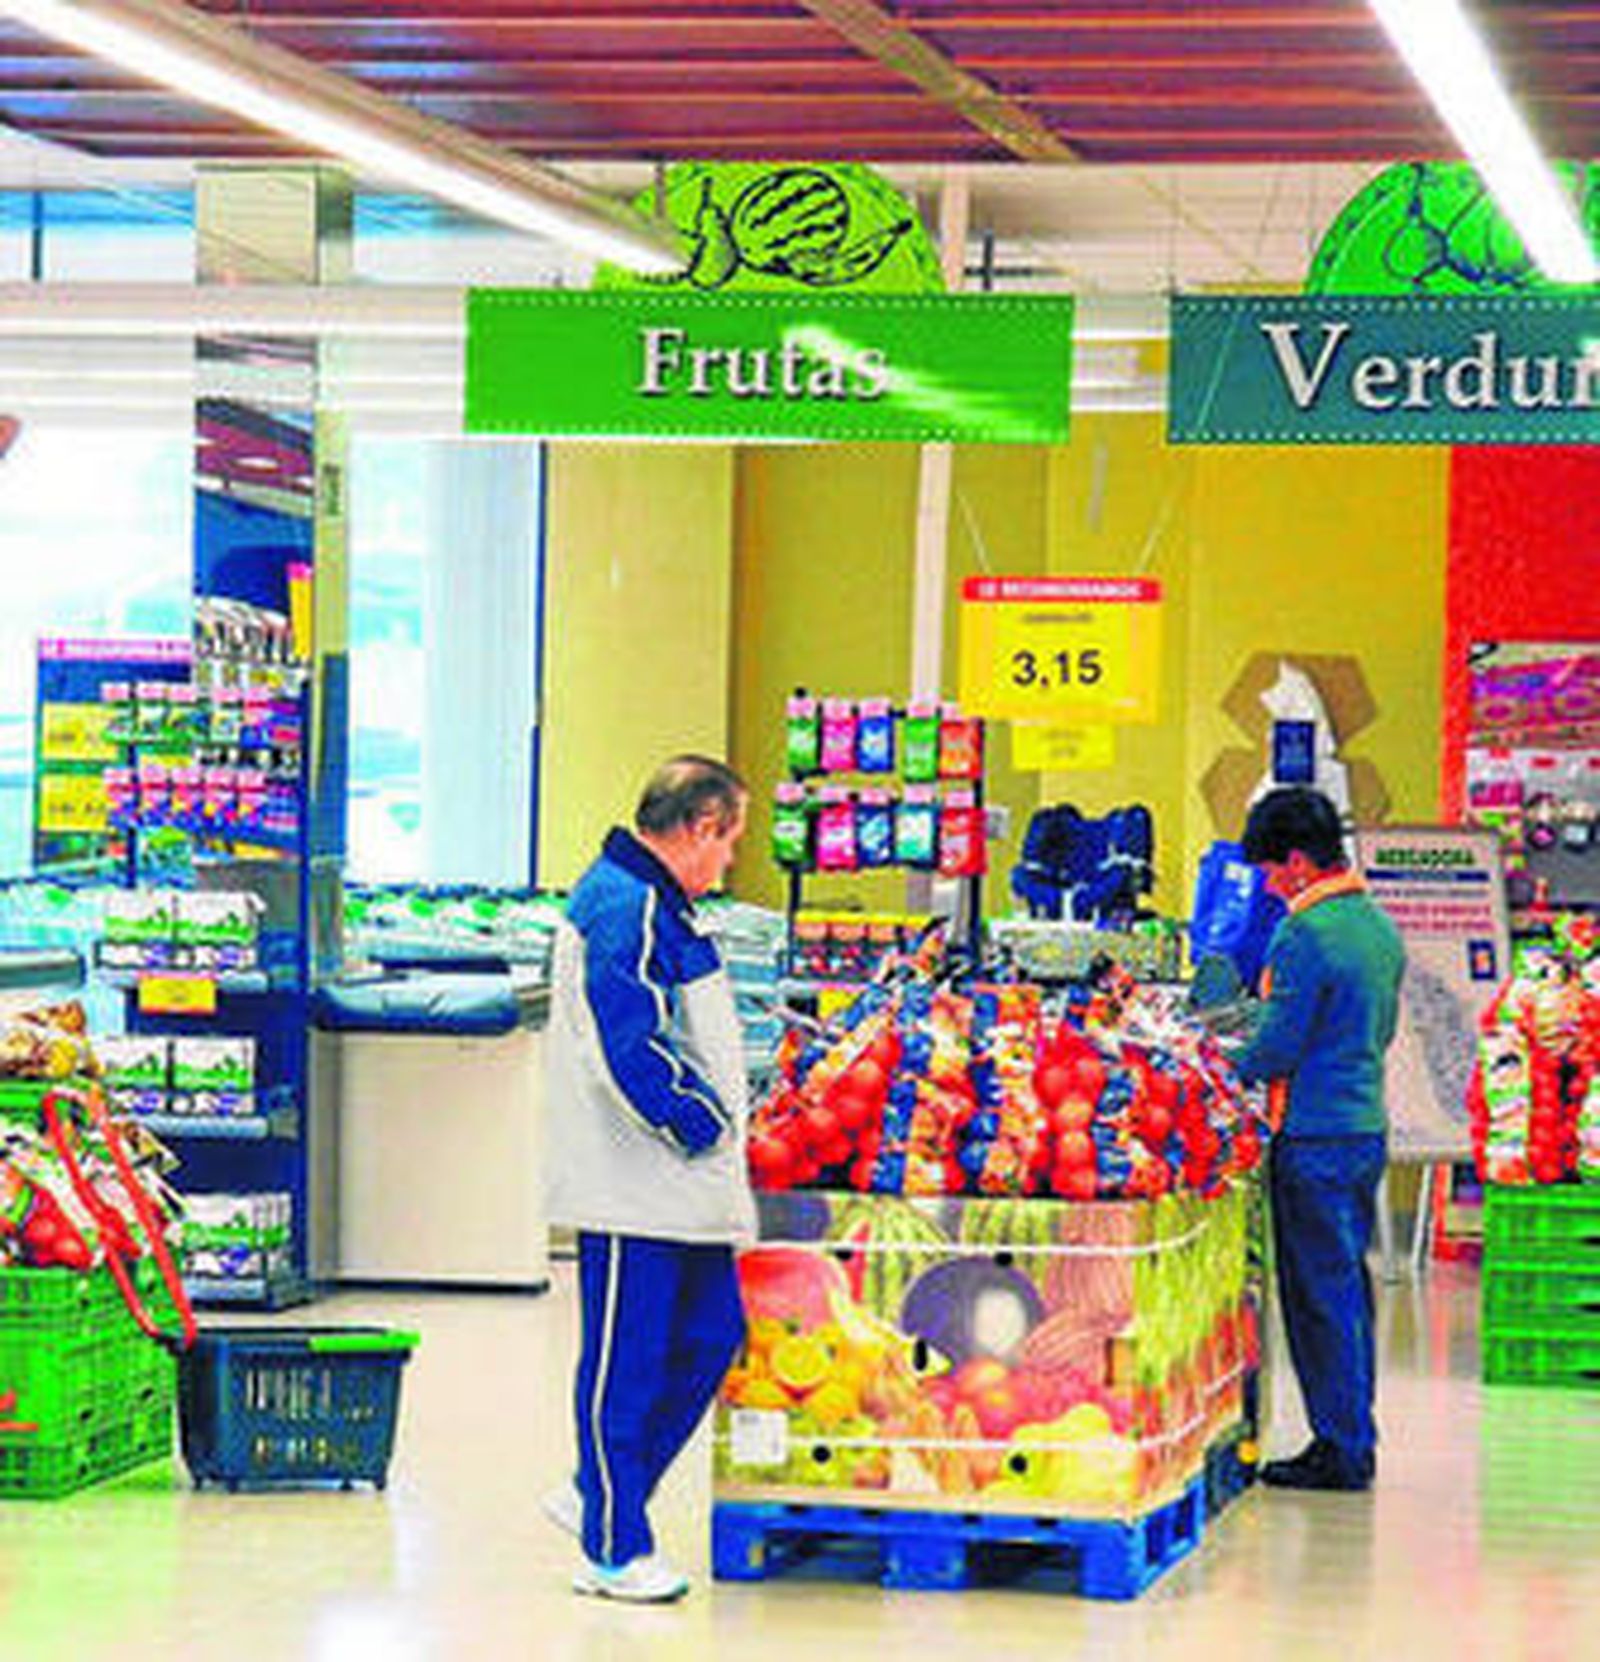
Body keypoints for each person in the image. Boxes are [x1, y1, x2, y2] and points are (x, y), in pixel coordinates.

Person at [542, 756, 754, 1602]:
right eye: (729, 841)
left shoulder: (662, 904)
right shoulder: (620, 905)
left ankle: (596, 1490)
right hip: (634, 1184)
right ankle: (612, 1547)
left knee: (710, 1335)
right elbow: (625, 1044)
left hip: (683, 1189)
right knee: (623, 1365)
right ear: (700, 826)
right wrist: (699, 1121)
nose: (729, 860)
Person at [1233, 786, 1404, 1493]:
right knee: (1347, 1289)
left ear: (1298, 861)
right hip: (1363, 1127)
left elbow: (1277, 1045)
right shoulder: (1375, 925)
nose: (1269, 884)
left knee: (1316, 1298)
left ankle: (1340, 1447)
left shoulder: (1304, 933)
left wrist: (1217, 1064)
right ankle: (1352, 1431)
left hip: (1311, 1136)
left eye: (1271, 869)